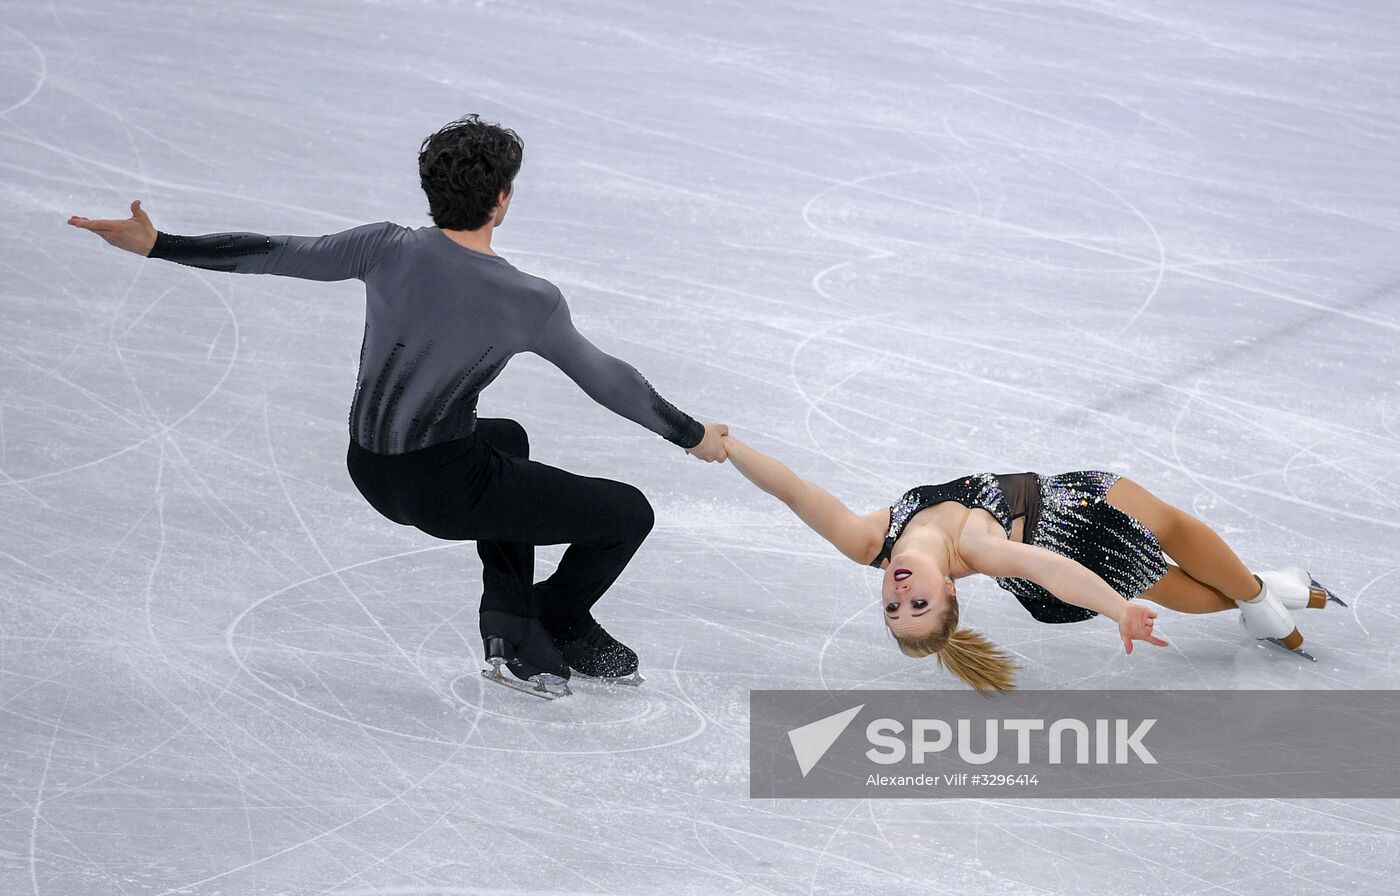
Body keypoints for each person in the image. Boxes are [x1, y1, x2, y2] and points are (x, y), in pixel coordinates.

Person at [69, 114, 728, 699]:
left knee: (506, 438)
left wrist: (160, 243)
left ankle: (508, 623)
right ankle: (553, 615)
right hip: (444, 490)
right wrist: (691, 433)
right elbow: (607, 380)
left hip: (370, 470)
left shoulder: (384, 247)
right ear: (502, 200)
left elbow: (275, 254)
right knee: (627, 514)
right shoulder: (529, 299)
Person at [719, 434, 1342, 691]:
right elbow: (1051, 570)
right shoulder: (977, 549)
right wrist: (1119, 610)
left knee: (1174, 541)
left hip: (1063, 513)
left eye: (894, 608)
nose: (902, 593)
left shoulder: (866, 540)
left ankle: (1272, 594)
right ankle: (1263, 599)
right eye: (920, 605)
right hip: (1077, 528)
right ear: (951, 593)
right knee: (1174, 563)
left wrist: (725, 446)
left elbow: (792, 491)